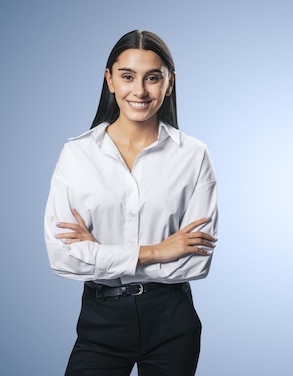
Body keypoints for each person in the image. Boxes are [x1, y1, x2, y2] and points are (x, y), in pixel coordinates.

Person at [43, 30, 218, 376]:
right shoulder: (77, 155)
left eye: (153, 78)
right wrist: (157, 251)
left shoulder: (194, 156)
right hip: (100, 321)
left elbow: (193, 265)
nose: (139, 91)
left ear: (169, 84)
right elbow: (62, 258)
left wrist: (98, 253)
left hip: (172, 320)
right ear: (109, 80)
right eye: (127, 76)